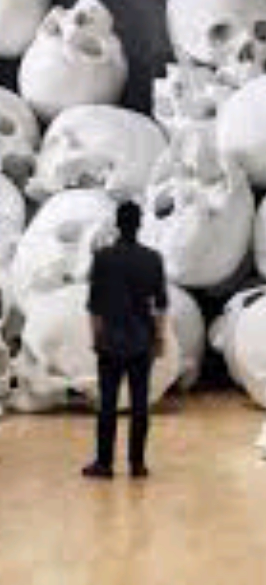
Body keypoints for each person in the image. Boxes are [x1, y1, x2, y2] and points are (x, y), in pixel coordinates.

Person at [82, 200, 168, 480]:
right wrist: (160, 338)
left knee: (107, 404)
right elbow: (160, 304)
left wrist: (96, 337)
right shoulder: (153, 259)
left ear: (117, 224)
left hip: (110, 339)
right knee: (140, 404)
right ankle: (137, 463)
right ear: (139, 224)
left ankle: (104, 463)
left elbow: (95, 305)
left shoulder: (103, 258)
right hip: (142, 338)